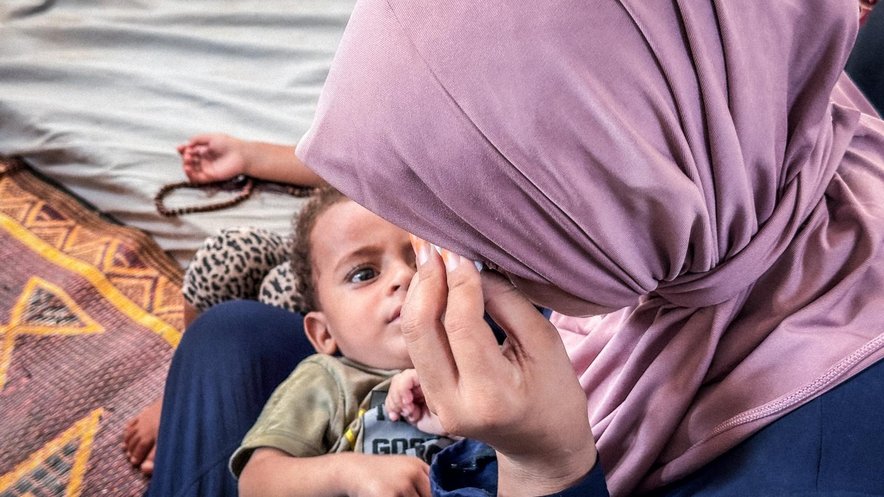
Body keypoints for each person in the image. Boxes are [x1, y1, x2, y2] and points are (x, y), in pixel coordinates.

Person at [148, 1, 884, 495]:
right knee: (232, 333)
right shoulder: (755, 122)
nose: (440, 261)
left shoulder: (818, 466)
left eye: (487, 232)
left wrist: (547, 466)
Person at [123, 134, 325, 476]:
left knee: (287, 291)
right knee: (228, 255)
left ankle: (269, 434)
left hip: (401, 261)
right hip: (345, 241)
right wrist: (247, 156)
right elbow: (357, 165)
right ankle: (188, 394)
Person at [233, 185, 454, 497]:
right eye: (364, 274)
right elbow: (256, 482)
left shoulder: (488, 360)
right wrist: (349, 472)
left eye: (421, 261)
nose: (404, 276)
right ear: (324, 334)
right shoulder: (329, 380)